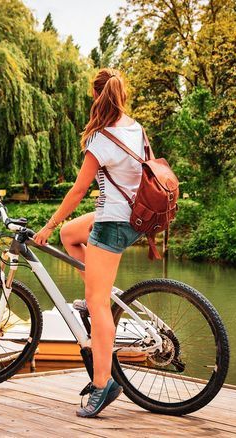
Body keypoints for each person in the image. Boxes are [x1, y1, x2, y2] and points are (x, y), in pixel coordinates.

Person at [33, 68, 146, 418]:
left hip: (112, 222)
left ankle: (103, 385)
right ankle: (96, 289)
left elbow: (79, 190)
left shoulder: (101, 138)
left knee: (98, 309)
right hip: (134, 215)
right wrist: (61, 228)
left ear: (97, 96)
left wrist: (49, 225)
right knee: (71, 236)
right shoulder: (135, 127)